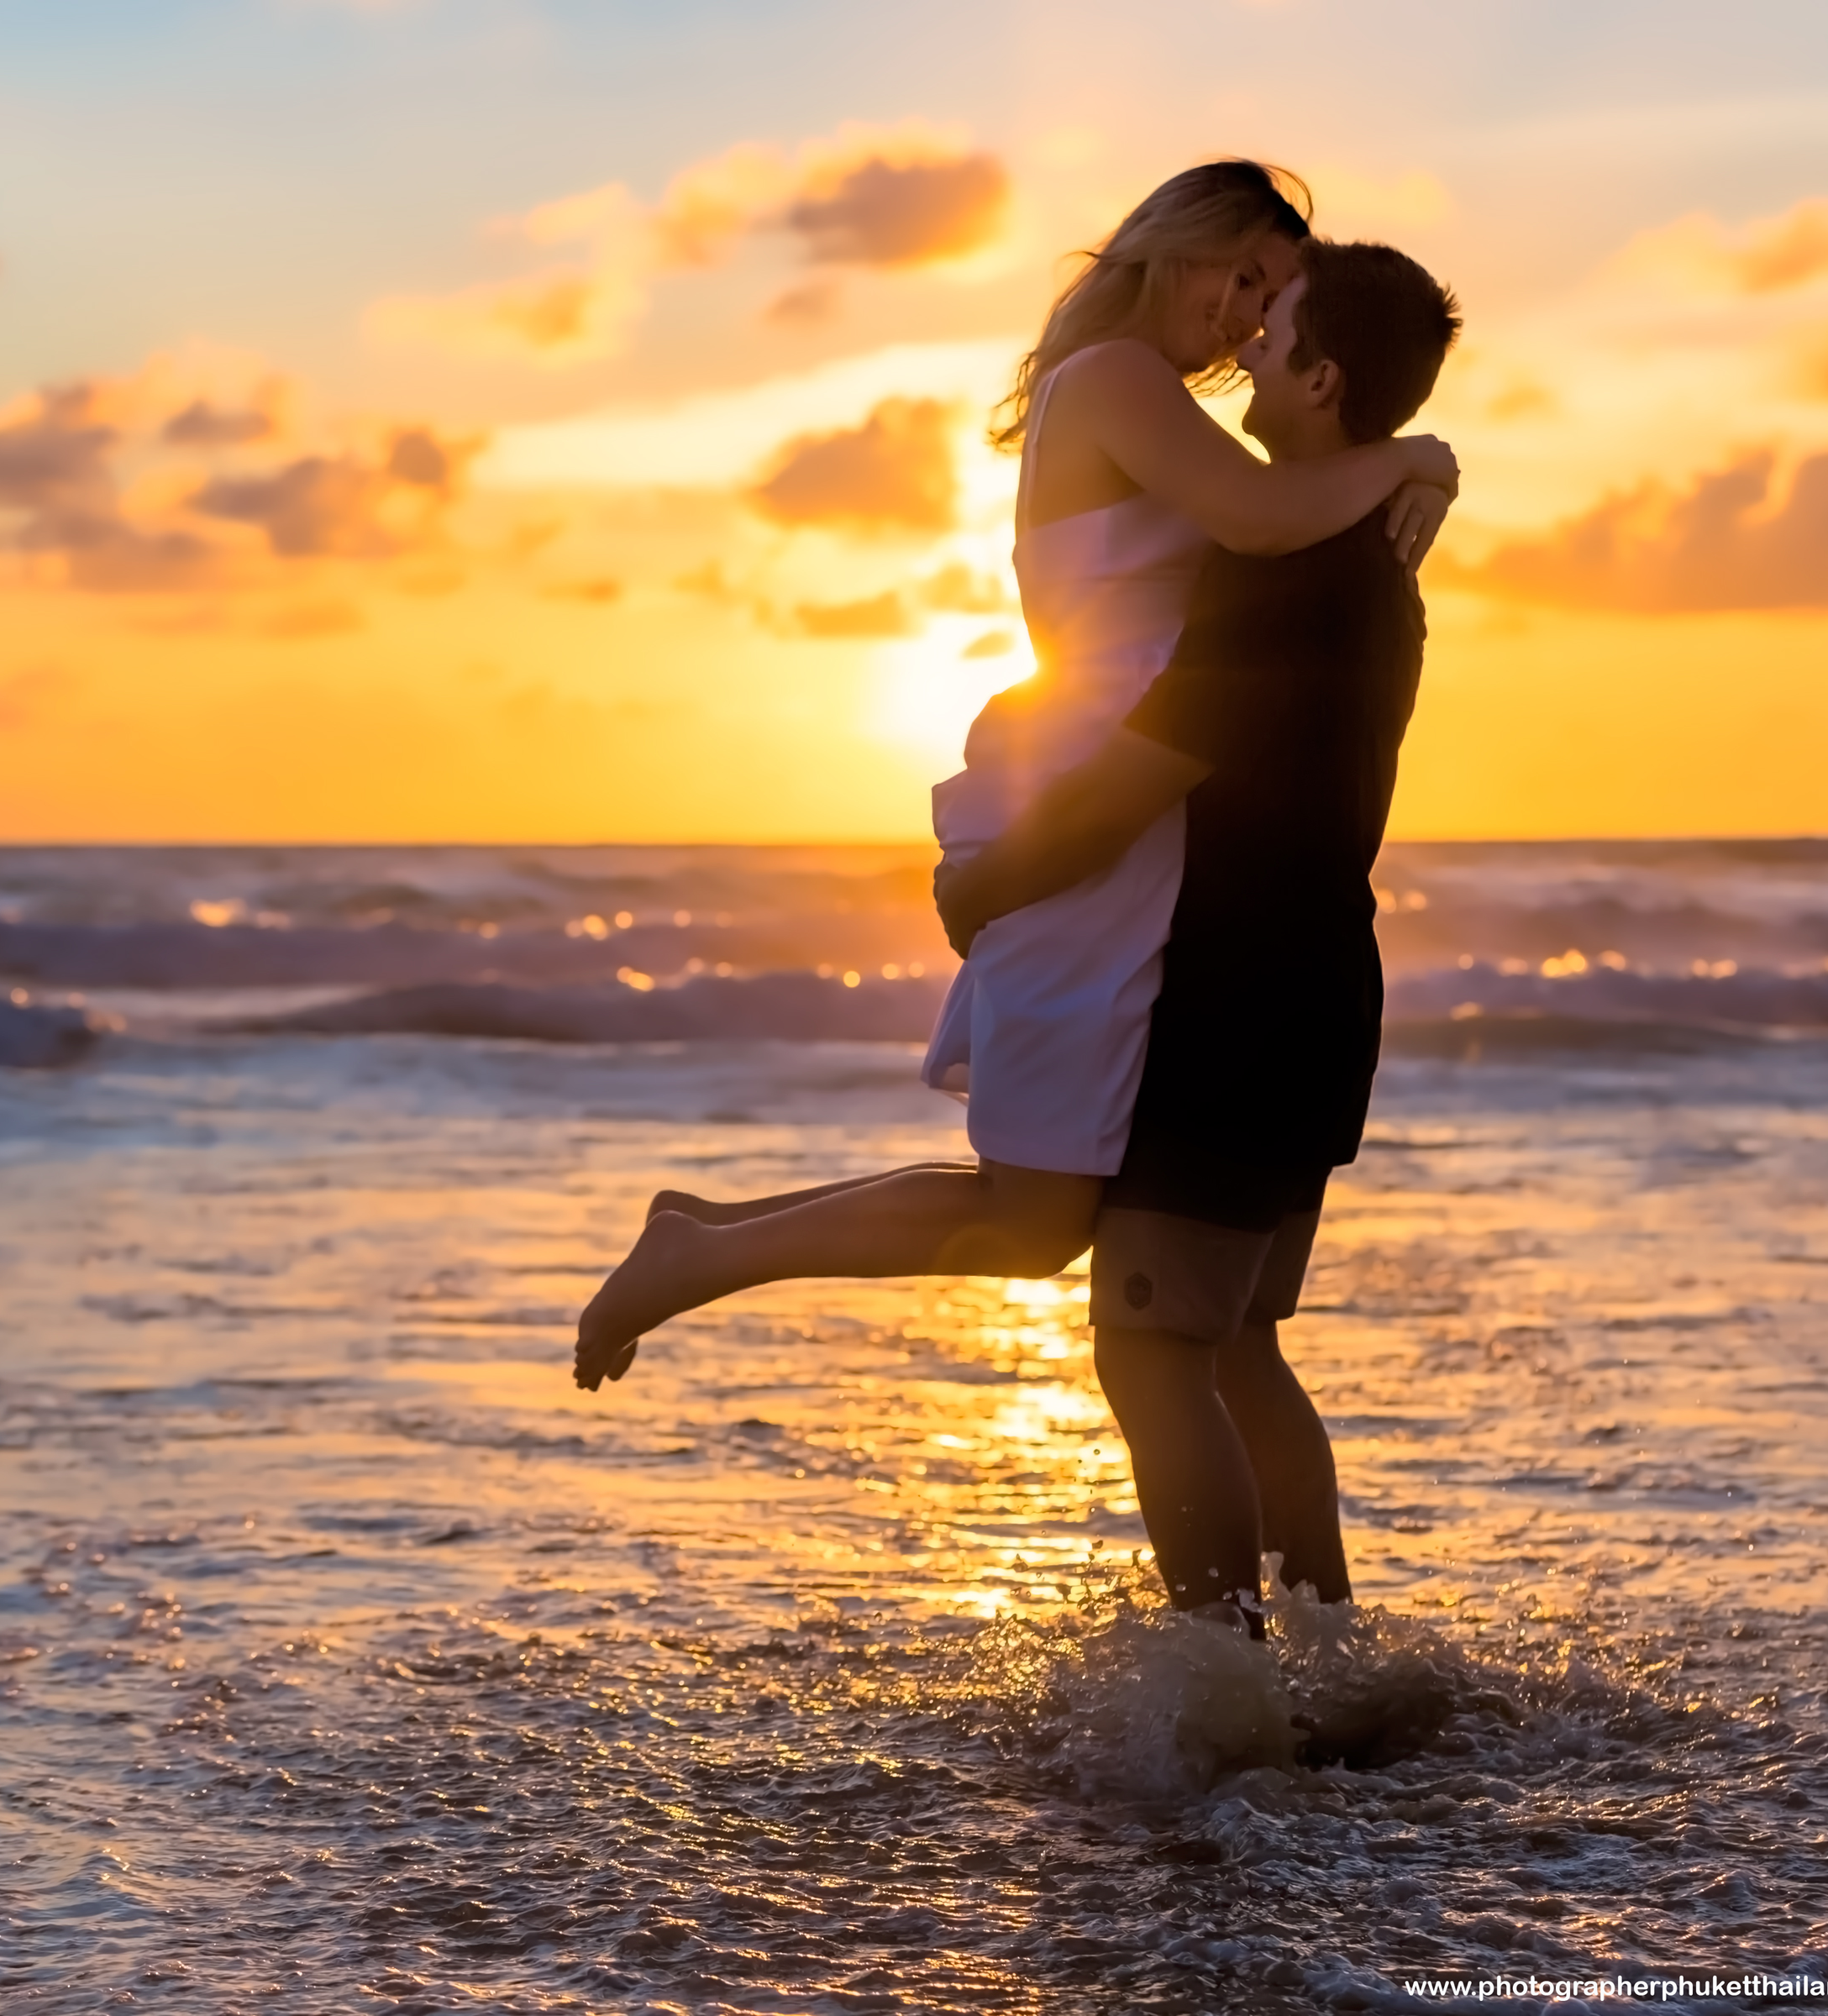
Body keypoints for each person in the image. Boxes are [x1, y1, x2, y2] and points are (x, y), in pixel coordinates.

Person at [572, 165, 1453, 1405]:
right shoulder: (1118, 382)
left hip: (1141, 812)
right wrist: (1416, 454)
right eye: (1242, 276)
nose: (1251, 317)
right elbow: (1262, 518)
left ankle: (708, 1239)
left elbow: (1286, 530)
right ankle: (703, 1253)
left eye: (1271, 298)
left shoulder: (1139, 397)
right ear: (1173, 246)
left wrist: (1407, 474)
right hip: (1104, 801)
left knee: (1046, 1211)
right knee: (1037, 1211)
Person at [932, 238, 1460, 1623]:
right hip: (1320, 996)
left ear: (1323, 375)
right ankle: (1327, 1674)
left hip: (1239, 1004)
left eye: (1272, 329)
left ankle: (1228, 1690)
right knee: (1239, 1352)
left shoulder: (1275, 565)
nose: (1244, 354)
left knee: (1153, 1352)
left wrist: (985, 887)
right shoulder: (1367, 551)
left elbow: (1142, 773)